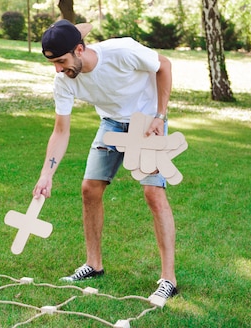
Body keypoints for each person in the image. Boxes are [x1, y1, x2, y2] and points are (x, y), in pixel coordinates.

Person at [32, 19, 178, 302]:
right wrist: (46, 174)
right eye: (53, 63)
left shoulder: (121, 51)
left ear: (79, 49)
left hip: (146, 122)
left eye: (61, 61)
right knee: (90, 188)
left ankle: (168, 279)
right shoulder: (63, 80)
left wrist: (160, 116)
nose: (59, 69)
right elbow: (60, 131)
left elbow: (164, 65)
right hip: (111, 125)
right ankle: (93, 264)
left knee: (153, 193)